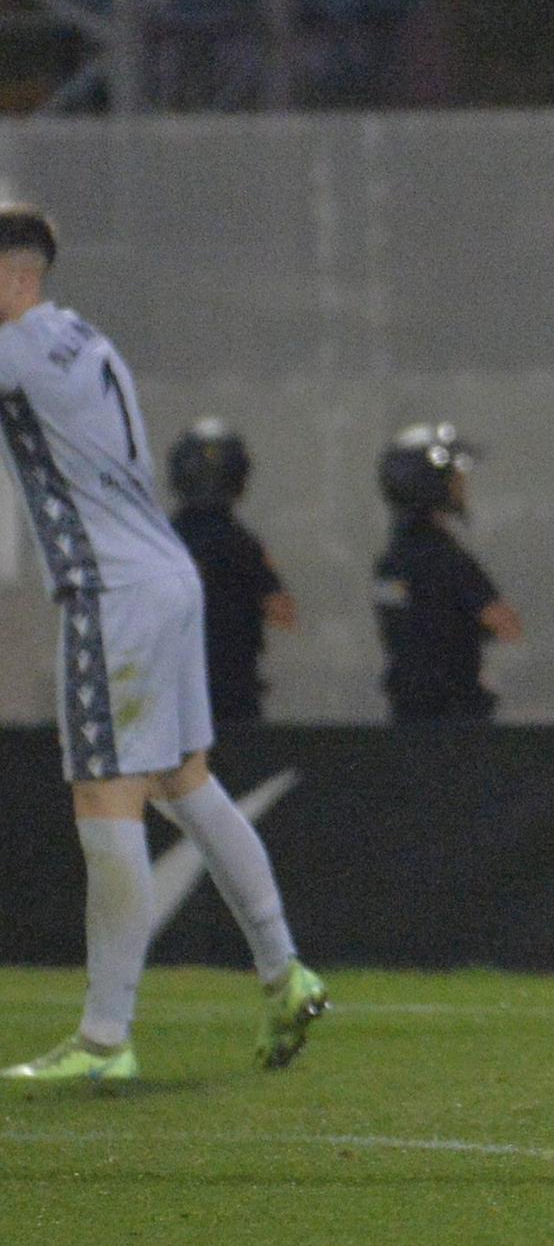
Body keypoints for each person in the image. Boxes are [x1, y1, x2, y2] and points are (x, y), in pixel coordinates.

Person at [0, 206, 325, 1082]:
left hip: (111, 591)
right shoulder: (78, 335)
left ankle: (106, 1039)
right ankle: (284, 966)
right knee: (185, 780)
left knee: (107, 799)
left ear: (15, 275)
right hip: (164, 578)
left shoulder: (19, 349)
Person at [373, 422, 522, 723]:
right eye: (454, 476)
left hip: (406, 714)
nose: (462, 483)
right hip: (455, 719)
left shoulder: (390, 562)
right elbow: (506, 624)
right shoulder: (447, 559)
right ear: (430, 483)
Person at [167, 418, 298, 723]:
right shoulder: (245, 547)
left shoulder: (161, 544)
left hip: (173, 698)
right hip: (232, 696)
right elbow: (283, 613)